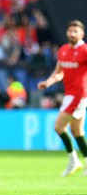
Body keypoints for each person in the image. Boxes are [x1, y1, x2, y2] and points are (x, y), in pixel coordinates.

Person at [37, 20, 87, 176]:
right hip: (69, 95)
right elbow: (59, 72)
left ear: (82, 34)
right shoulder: (64, 50)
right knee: (77, 131)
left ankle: (73, 160)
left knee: (58, 127)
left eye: (75, 31)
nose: (72, 34)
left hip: (80, 95)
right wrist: (48, 82)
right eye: (70, 31)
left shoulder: (85, 50)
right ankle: (79, 161)